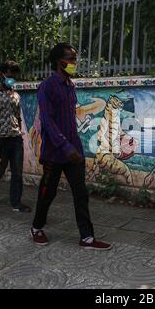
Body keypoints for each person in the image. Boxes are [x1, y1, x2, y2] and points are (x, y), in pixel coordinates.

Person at [30, 43, 111, 251]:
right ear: (59, 61)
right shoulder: (47, 87)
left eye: (76, 59)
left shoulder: (70, 85)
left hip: (74, 151)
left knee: (80, 193)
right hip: (54, 152)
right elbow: (47, 121)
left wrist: (75, 146)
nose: (75, 63)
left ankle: (87, 237)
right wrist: (65, 147)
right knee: (48, 192)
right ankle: (37, 227)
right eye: (71, 59)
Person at [0, 60, 31, 213]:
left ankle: (16, 203)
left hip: (15, 139)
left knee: (18, 172)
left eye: (14, 76)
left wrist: (20, 132)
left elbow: (18, 117)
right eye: (9, 75)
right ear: (1, 74)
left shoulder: (16, 95)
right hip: (0, 139)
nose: (12, 78)